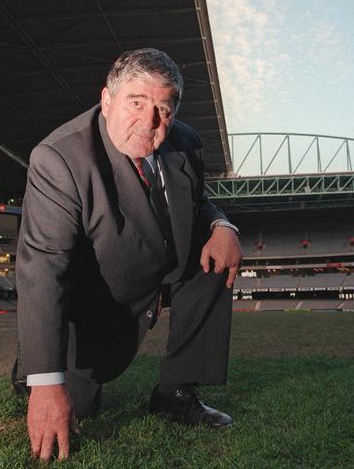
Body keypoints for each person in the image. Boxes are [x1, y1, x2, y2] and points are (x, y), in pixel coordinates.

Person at [14, 48, 242, 461]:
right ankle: (29, 373)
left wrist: (223, 225)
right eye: (136, 103)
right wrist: (47, 382)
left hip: (160, 268)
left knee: (216, 257)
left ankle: (176, 392)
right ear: (106, 100)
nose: (150, 122)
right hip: (97, 299)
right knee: (79, 404)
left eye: (163, 108)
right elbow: (43, 269)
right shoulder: (59, 159)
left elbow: (195, 204)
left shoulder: (185, 142)